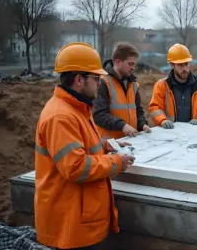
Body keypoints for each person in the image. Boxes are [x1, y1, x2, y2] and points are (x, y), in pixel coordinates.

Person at [34, 42, 135, 249]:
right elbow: (76, 167)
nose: (100, 83)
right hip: (70, 224)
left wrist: (108, 146)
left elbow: (83, 144)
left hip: (80, 217)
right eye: (96, 78)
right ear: (79, 80)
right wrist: (116, 161)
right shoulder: (61, 116)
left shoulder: (76, 108)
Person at [93, 42, 150, 139]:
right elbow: (99, 115)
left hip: (131, 142)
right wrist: (122, 125)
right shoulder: (102, 83)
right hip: (110, 145)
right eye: (130, 64)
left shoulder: (133, 84)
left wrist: (142, 124)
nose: (133, 68)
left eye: (134, 64)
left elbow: (138, 111)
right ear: (118, 62)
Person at [149, 43, 197, 129]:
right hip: (169, 132)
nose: (184, 68)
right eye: (180, 65)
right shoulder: (162, 85)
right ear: (172, 65)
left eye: (186, 64)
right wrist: (162, 120)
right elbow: (155, 107)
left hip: (193, 132)